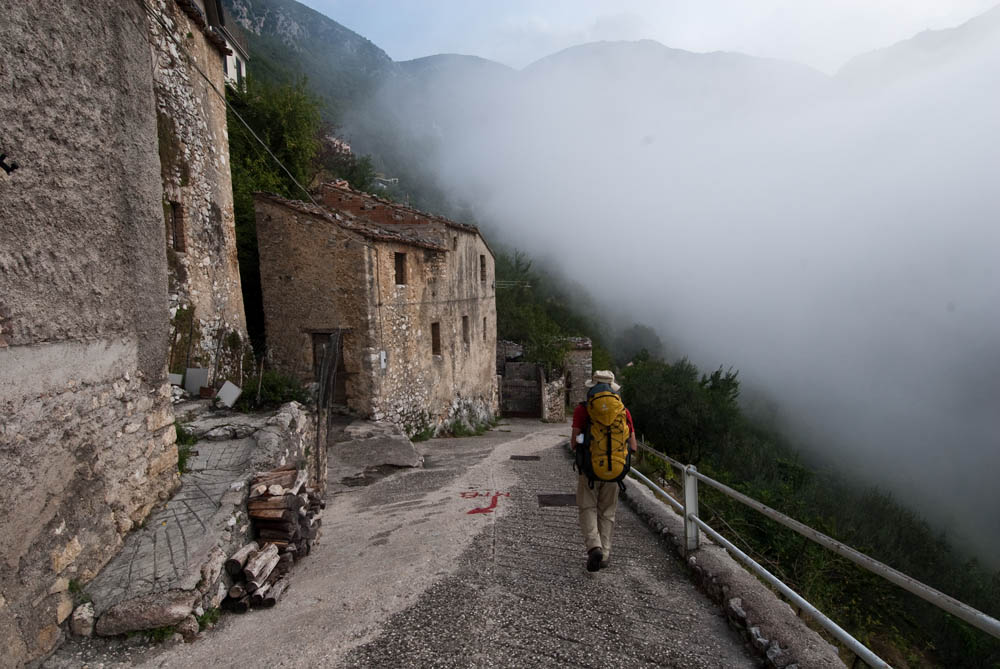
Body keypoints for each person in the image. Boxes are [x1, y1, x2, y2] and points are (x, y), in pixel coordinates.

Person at [571, 370, 638, 572]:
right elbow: (633, 446)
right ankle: (605, 554)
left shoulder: (583, 410)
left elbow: (574, 443)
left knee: (587, 507)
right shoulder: (623, 411)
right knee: (607, 512)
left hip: (589, 470)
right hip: (615, 471)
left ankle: (594, 546)